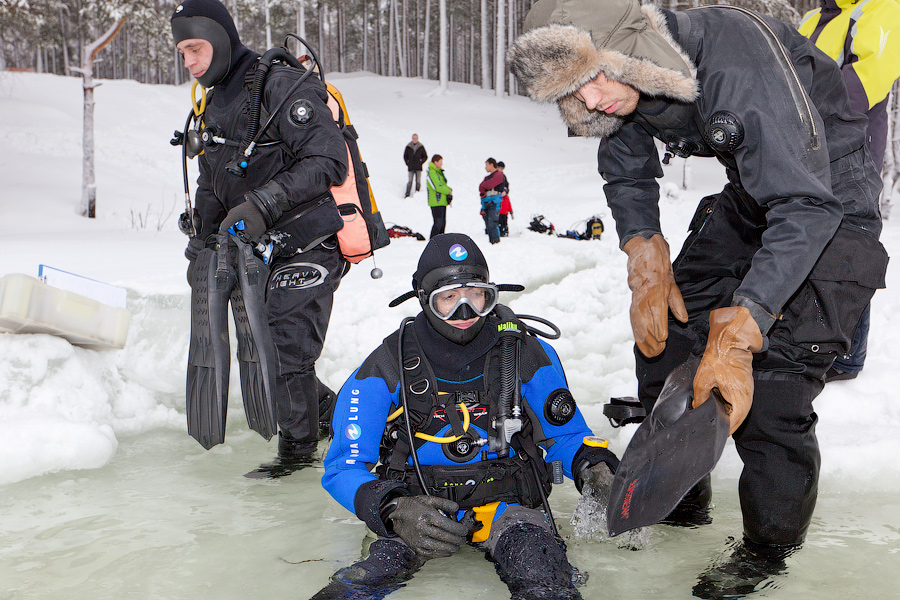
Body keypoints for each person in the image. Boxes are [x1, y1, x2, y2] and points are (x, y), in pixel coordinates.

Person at [508, 0, 888, 597]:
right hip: (755, 188)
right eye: (573, 96)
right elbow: (628, 169)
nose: (591, 103)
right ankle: (680, 494)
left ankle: (768, 550)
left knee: (772, 382)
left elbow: (806, 204)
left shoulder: (734, 64)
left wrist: (744, 329)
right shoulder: (626, 86)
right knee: (667, 329)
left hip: (827, 193)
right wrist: (643, 251)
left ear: (630, 51)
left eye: (592, 82)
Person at [314, 233, 619, 600]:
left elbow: (567, 438)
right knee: (352, 590)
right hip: (417, 512)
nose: (465, 312)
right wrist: (394, 508)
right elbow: (343, 467)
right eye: (449, 298)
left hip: (510, 511)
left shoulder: (523, 352)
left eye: (477, 296)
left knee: (547, 583)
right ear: (424, 299)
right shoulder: (387, 365)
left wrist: (594, 469)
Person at [172, 0, 348, 477]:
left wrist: (264, 204)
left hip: (309, 241)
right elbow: (214, 179)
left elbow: (329, 161)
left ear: (222, 37)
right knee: (270, 346)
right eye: (182, 52)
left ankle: (298, 457)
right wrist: (204, 242)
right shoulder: (217, 101)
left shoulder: (282, 84)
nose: (189, 62)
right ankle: (342, 416)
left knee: (284, 345)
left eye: (196, 48)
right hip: (258, 250)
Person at [799, 0, 900, 382]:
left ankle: (847, 356)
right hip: (806, 144)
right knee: (806, 237)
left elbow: (869, 76)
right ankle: (807, 338)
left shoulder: (882, 8)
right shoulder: (812, 18)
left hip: (853, 147)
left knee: (848, 245)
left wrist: (797, 106)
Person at [425, 154, 453, 239]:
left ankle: (440, 241)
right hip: (436, 202)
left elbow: (443, 184)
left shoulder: (438, 172)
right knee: (438, 223)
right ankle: (433, 241)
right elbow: (437, 187)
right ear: (435, 162)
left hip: (442, 201)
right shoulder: (432, 173)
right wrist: (448, 191)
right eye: (440, 162)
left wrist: (449, 190)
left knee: (442, 223)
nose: (441, 164)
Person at [479, 158, 504, 244]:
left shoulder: (499, 175)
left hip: (494, 201)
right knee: (488, 223)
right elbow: (480, 187)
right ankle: (491, 241)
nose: (485, 167)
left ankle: (496, 241)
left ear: (491, 164)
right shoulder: (487, 177)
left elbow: (488, 185)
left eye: (486, 165)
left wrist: (484, 185)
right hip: (486, 202)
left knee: (492, 222)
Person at [403, 134, 428, 198]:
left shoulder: (421, 146)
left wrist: (420, 162)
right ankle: (407, 194)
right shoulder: (408, 146)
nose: (414, 139)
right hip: (411, 167)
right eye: (413, 138)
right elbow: (405, 156)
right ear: (412, 138)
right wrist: (407, 163)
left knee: (418, 181)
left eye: (416, 138)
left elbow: (425, 156)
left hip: (418, 167)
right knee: (410, 181)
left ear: (418, 138)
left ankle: (417, 194)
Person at [497, 161, 514, 237]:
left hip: (503, 206)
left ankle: (504, 231)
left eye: (501, 168)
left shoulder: (503, 177)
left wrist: (504, 191)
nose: (500, 169)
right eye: (499, 168)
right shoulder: (493, 176)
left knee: (504, 220)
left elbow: (506, 186)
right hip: (496, 201)